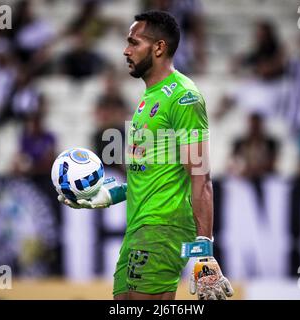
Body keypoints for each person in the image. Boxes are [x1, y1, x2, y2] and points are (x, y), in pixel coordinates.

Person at [59, 11, 233, 300]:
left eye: (133, 42)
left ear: (159, 47)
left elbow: (201, 176)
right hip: (138, 228)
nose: (126, 50)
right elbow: (148, 174)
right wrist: (104, 196)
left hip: (163, 227)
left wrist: (204, 253)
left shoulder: (184, 97)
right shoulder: (147, 100)